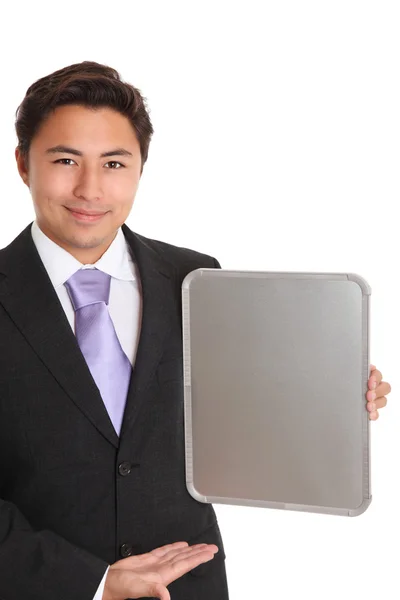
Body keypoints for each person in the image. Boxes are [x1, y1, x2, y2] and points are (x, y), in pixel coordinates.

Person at [0, 61, 391, 600]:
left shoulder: (195, 278)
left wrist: (328, 396)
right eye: (66, 160)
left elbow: (240, 414)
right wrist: (93, 582)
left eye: (114, 162)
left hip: (190, 584)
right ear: (24, 164)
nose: (90, 188)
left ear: (140, 168)